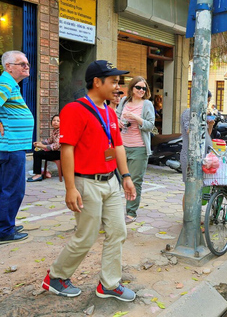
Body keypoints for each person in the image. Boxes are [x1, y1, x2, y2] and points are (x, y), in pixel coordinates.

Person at [41, 60, 137, 301]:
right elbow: (67, 149)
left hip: (111, 182)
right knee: (87, 235)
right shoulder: (74, 110)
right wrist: (70, 187)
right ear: (97, 82)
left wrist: (126, 177)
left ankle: (109, 283)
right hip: (87, 183)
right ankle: (56, 277)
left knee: (118, 231)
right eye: (113, 81)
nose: (117, 87)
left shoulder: (109, 111)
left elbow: (118, 146)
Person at [0, 50, 34, 245]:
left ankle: (3, 226)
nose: (27, 66)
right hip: (11, 146)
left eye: (27, 63)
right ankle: (3, 232)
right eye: (22, 64)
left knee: (2, 189)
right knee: (13, 189)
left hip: (9, 146)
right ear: (9, 67)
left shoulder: (9, 84)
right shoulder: (6, 82)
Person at [116, 76, 155, 224]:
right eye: (138, 87)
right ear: (132, 88)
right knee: (118, 179)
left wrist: (136, 118)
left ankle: (131, 212)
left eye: (144, 88)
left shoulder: (147, 104)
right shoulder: (124, 101)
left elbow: (151, 125)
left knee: (135, 181)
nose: (141, 90)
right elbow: (116, 116)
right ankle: (113, 210)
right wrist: (118, 121)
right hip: (122, 146)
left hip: (139, 148)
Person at [27, 114, 61, 182]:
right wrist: (39, 143)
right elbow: (49, 140)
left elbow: (55, 146)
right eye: (54, 120)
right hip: (55, 152)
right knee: (37, 151)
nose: (55, 122)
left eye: (58, 121)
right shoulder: (54, 131)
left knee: (38, 154)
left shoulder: (61, 132)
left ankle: (38, 175)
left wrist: (42, 146)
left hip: (59, 153)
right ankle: (38, 173)